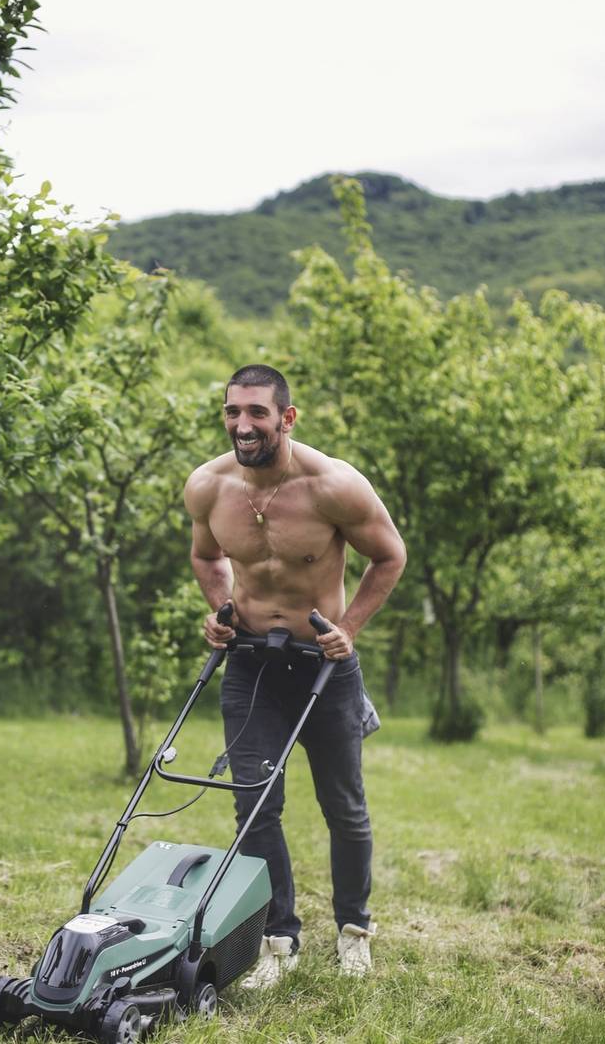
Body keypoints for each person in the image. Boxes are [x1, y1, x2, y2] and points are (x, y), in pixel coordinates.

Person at [183, 364, 406, 983]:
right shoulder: (208, 486)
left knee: (344, 808)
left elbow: (390, 556)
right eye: (233, 412)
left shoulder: (333, 485)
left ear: (286, 417)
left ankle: (354, 929)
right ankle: (277, 940)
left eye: (257, 412)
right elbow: (205, 556)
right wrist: (221, 610)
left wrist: (349, 628)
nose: (243, 424)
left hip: (323, 668)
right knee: (255, 805)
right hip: (251, 664)